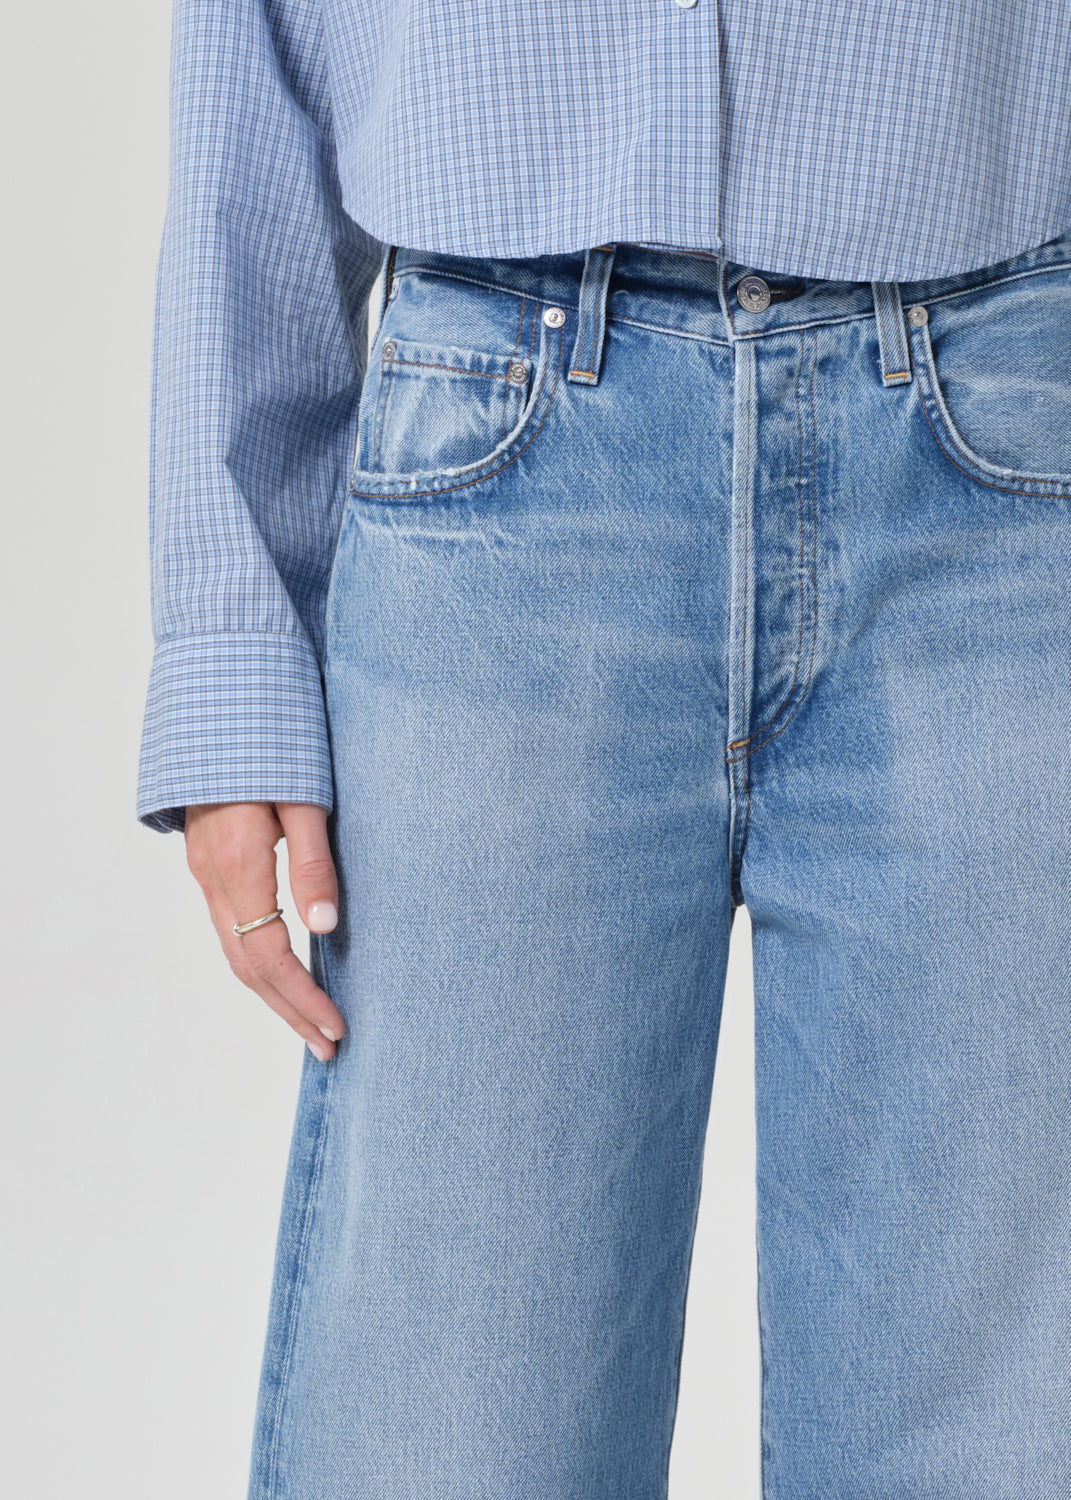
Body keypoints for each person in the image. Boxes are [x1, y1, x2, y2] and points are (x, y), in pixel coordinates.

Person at [137, 3, 1071, 1495]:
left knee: (1013, 1435)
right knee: (449, 1424)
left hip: (1004, 449)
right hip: (494, 464)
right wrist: (230, 636)